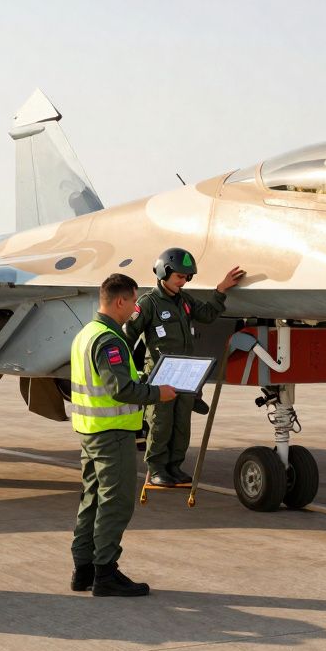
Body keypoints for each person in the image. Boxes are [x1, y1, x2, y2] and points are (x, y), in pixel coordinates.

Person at [69, 272, 177, 597]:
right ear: (120, 301)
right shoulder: (110, 340)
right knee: (116, 503)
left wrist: (146, 379)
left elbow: (114, 380)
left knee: (91, 500)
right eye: (133, 301)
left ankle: (83, 570)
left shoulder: (87, 333)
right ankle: (106, 574)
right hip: (111, 434)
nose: (135, 309)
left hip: (91, 432)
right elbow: (120, 389)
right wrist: (159, 394)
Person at [125, 248, 245, 487]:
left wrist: (220, 290)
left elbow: (208, 315)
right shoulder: (148, 303)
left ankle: (174, 467)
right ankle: (157, 468)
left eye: (187, 277)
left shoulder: (185, 300)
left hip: (185, 373)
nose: (184, 281)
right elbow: (128, 335)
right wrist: (131, 373)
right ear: (164, 272)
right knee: (161, 422)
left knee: (181, 423)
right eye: (180, 276)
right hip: (161, 373)